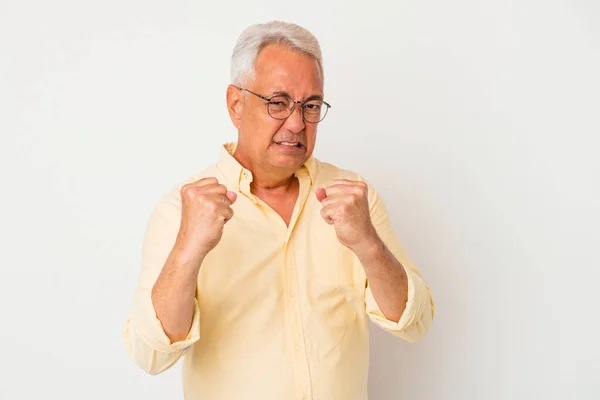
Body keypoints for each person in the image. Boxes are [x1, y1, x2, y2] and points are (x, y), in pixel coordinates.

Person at [124, 20, 434, 400]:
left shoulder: (353, 198)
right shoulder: (181, 210)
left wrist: (367, 244)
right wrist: (189, 248)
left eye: (311, 106)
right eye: (278, 103)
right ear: (236, 105)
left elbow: (415, 323)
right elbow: (150, 355)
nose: (297, 123)